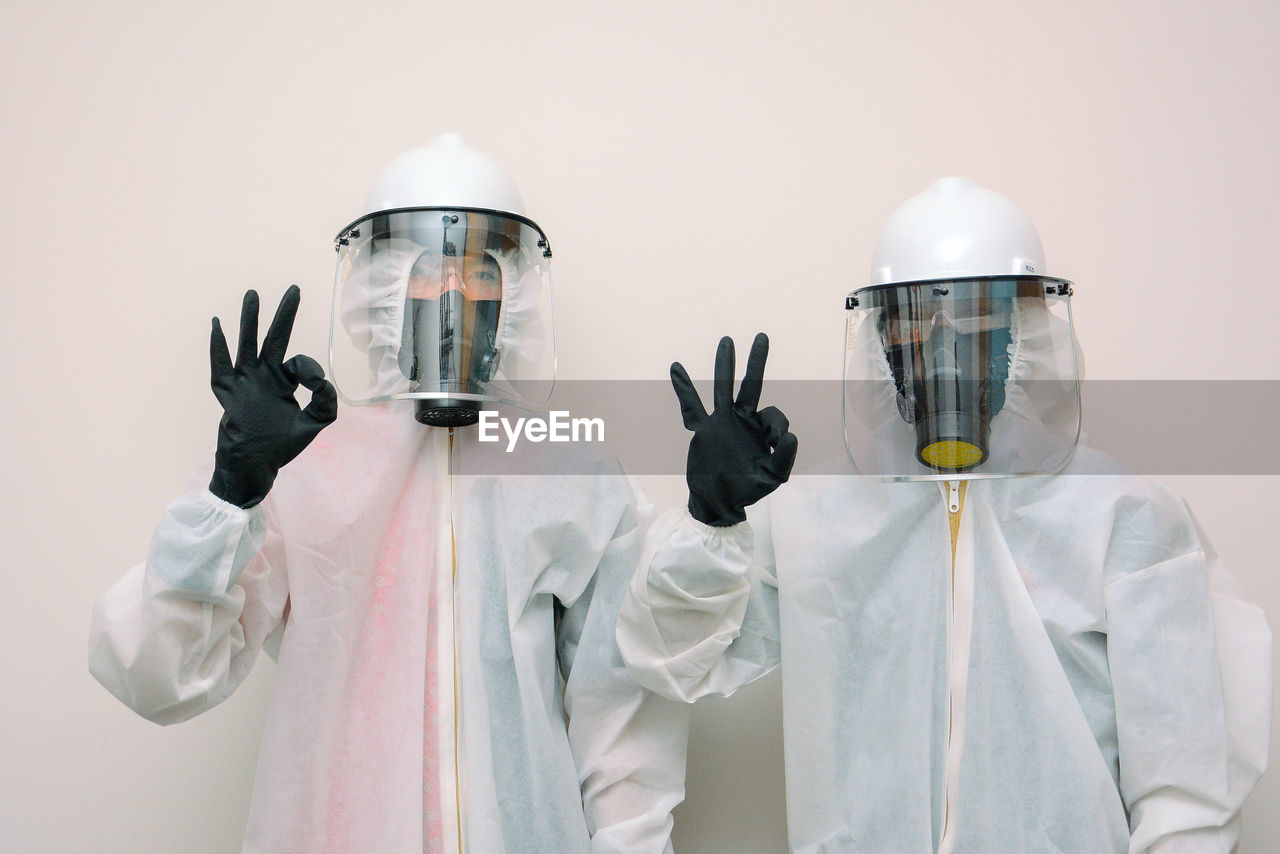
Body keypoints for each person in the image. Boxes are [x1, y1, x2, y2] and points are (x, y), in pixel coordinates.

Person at [616, 178, 1271, 853]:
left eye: (980, 321)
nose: (944, 351)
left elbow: (1187, 792)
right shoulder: (821, 520)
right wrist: (712, 519)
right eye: (913, 323)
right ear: (880, 341)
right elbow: (668, 660)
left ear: (1027, 330)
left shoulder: (1123, 520)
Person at [90, 133, 690, 853]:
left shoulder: (564, 467)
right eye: (431, 267)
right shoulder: (304, 457)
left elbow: (620, 710)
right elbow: (157, 676)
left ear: (517, 288)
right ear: (379, 281)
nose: (458, 293)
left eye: (482, 268)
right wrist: (230, 495)